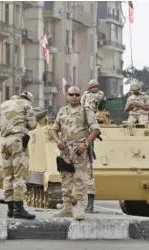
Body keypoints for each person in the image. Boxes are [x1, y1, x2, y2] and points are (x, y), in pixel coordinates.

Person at [50, 86, 100, 220]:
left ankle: (80, 208)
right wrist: (57, 141)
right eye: (71, 94)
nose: (74, 97)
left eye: (77, 95)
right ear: (67, 96)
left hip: (79, 149)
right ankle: (66, 208)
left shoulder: (85, 111)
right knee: (66, 180)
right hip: (65, 149)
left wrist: (86, 144)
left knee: (80, 179)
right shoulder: (62, 111)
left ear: (80, 96)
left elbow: (95, 130)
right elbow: (54, 129)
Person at [0, 91, 37, 219]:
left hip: (4, 142)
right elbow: (32, 125)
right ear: (29, 99)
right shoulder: (26, 104)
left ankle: (10, 209)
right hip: (17, 141)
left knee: (8, 175)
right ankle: (19, 209)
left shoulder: (3, 105)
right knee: (19, 175)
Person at [80, 79, 105, 213]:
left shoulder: (99, 95)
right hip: (75, 149)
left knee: (89, 176)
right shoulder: (83, 99)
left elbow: (95, 130)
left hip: (85, 145)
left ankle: (89, 205)